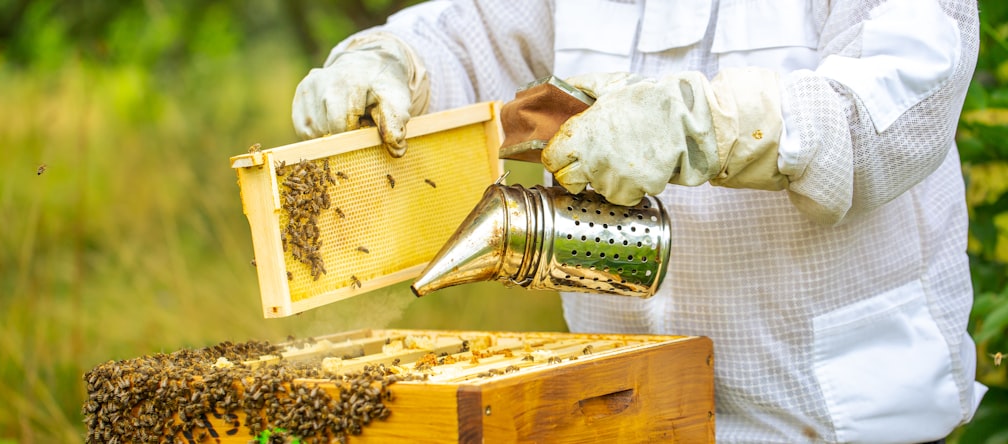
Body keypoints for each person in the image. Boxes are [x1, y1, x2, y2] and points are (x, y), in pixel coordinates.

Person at [291, 0, 985, 442]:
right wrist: (391, 63)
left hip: (836, 416)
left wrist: (712, 126)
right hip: (630, 414)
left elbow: (896, 108)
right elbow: (472, 35)